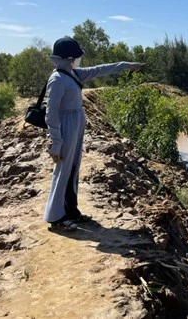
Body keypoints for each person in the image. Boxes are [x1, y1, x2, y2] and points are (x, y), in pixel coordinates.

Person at [44, 36, 143, 231]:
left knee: (73, 169)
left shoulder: (73, 74)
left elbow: (100, 69)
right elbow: (51, 112)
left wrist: (125, 65)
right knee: (62, 170)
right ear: (66, 58)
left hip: (76, 122)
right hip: (65, 126)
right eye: (74, 58)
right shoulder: (57, 79)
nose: (76, 61)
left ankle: (71, 210)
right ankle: (56, 216)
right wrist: (55, 142)